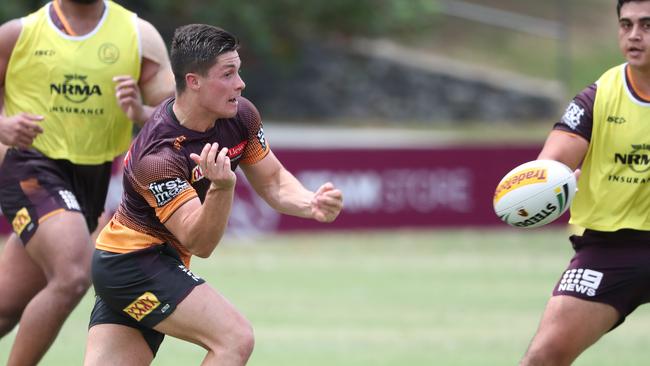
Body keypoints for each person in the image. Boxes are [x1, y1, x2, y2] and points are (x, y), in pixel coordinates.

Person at [82, 23, 344, 365]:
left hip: (146, 265)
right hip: (133, 264)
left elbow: (274, 180)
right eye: (228, 74)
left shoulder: (241, 116)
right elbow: (199, 242)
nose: (240, 83)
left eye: (239, 72)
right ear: (194, 81)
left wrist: (309, 202)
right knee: (234, 339)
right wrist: (221, 187)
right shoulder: (158, 158)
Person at [0, 0, 175, 364]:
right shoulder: (18, 34)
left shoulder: (138, 35)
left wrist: (140, 112)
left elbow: (177, 115)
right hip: (31, 166)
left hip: (91, 178)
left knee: (6, 305)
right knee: (73, 274)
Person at [520, 1, 650, 364]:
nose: (634, 35)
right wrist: (549, 183)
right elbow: (552, 162)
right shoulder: (600, 95)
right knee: (542, 359)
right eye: (626, 25)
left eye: (647, 25)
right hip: (611, 249)